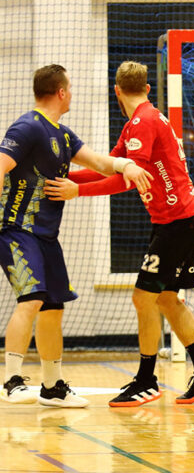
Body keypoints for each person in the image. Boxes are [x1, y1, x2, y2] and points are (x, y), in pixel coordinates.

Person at [44, 61, 194, 407]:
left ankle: (146, 380)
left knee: (143, 298)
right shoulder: (139, 122)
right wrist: (63, 179)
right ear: (146, 88)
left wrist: (76, 191)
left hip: (178, 221)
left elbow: (126, 180)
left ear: (116, 91)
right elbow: (111, 167)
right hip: (179, 219)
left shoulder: (143, 122)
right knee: (166, 299)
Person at [1, 64, 152, 407]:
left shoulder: (64, 135)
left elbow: (100, 162)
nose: (72, 93)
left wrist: (127, 165)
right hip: (17, 230)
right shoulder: (27, 126)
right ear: (61, 92)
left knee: (53, 308)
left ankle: (52, 388)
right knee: (31, 300)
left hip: (46, 236)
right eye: (69, 88)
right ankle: (11, 381)